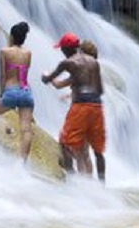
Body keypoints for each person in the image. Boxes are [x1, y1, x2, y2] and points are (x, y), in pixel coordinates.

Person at [41, 32, 106, 179]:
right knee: (95, 151)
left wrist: (44, 76)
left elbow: (48, 79)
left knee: (65, 143)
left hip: (81, 107)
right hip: (96, 107)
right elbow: (99, 90)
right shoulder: (93, 63)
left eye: (62, 49)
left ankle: (71, 182)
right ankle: (100, 187)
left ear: (65, 49)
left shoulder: (68, 63)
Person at [0, 21, 33, 161]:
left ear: (11, 37)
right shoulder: (28, 53)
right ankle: (22, 163)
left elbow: (3, 75)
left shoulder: (5, 52)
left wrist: (1, 94)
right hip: (25, 92)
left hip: (10, 91)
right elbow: (24, 75)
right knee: (26, 129)